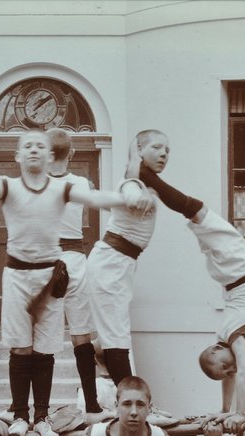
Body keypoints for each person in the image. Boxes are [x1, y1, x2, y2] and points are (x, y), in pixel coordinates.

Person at [0, 131, 153, 436]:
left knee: (47, 348)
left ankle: (41, 416)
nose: (35, 151)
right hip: (22, 273)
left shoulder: (64, 187)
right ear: (18, 156)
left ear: (51, 155)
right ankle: (21, 414)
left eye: (41, 146)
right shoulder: (13, 185)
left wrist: (127, 198)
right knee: (24, 347)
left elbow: (96, 198)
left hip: (53, 272)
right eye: (28, 146)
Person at [128, 146, 245, 433]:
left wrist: (239, 413)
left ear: (218, 349)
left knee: (196, 210)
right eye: (226, 370)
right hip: (230, 277)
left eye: (225, 366)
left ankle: (147, 178)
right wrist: (224, 409)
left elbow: (243, 374)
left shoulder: (234, 336)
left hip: (238, 269)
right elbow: (232, 375)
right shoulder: (228, 342)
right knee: (196, 216)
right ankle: (149, 181)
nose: (231, 370)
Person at [85, 131, 164, 385]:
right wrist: (134, 198)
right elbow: (129, 192)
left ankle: (95, 350)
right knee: (117, 340)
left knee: (115, 336)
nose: (164, 153)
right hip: (112, 264)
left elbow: (118, 205)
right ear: (139, 150)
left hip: (121, 265)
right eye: (157, 147)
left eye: (168, 150)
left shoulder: (146, 184)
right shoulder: (134, 183)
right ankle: (135, 402)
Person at [46, 128, 110, 423]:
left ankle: (38, 410)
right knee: (81, 335)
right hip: (74, 260)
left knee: (41, 337)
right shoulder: (82, 182)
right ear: (70, 154)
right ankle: (93, 404)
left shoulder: (35, 183)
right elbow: (103, 202)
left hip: (43, 260)